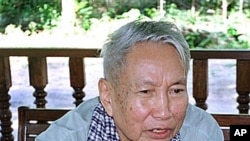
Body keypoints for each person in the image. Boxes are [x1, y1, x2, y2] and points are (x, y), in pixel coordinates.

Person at [35, 20, 224, 141]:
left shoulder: (202, 133)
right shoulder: (65, 137)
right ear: (108, 96)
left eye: (175, 90)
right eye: (146, 92)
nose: (164, 112)